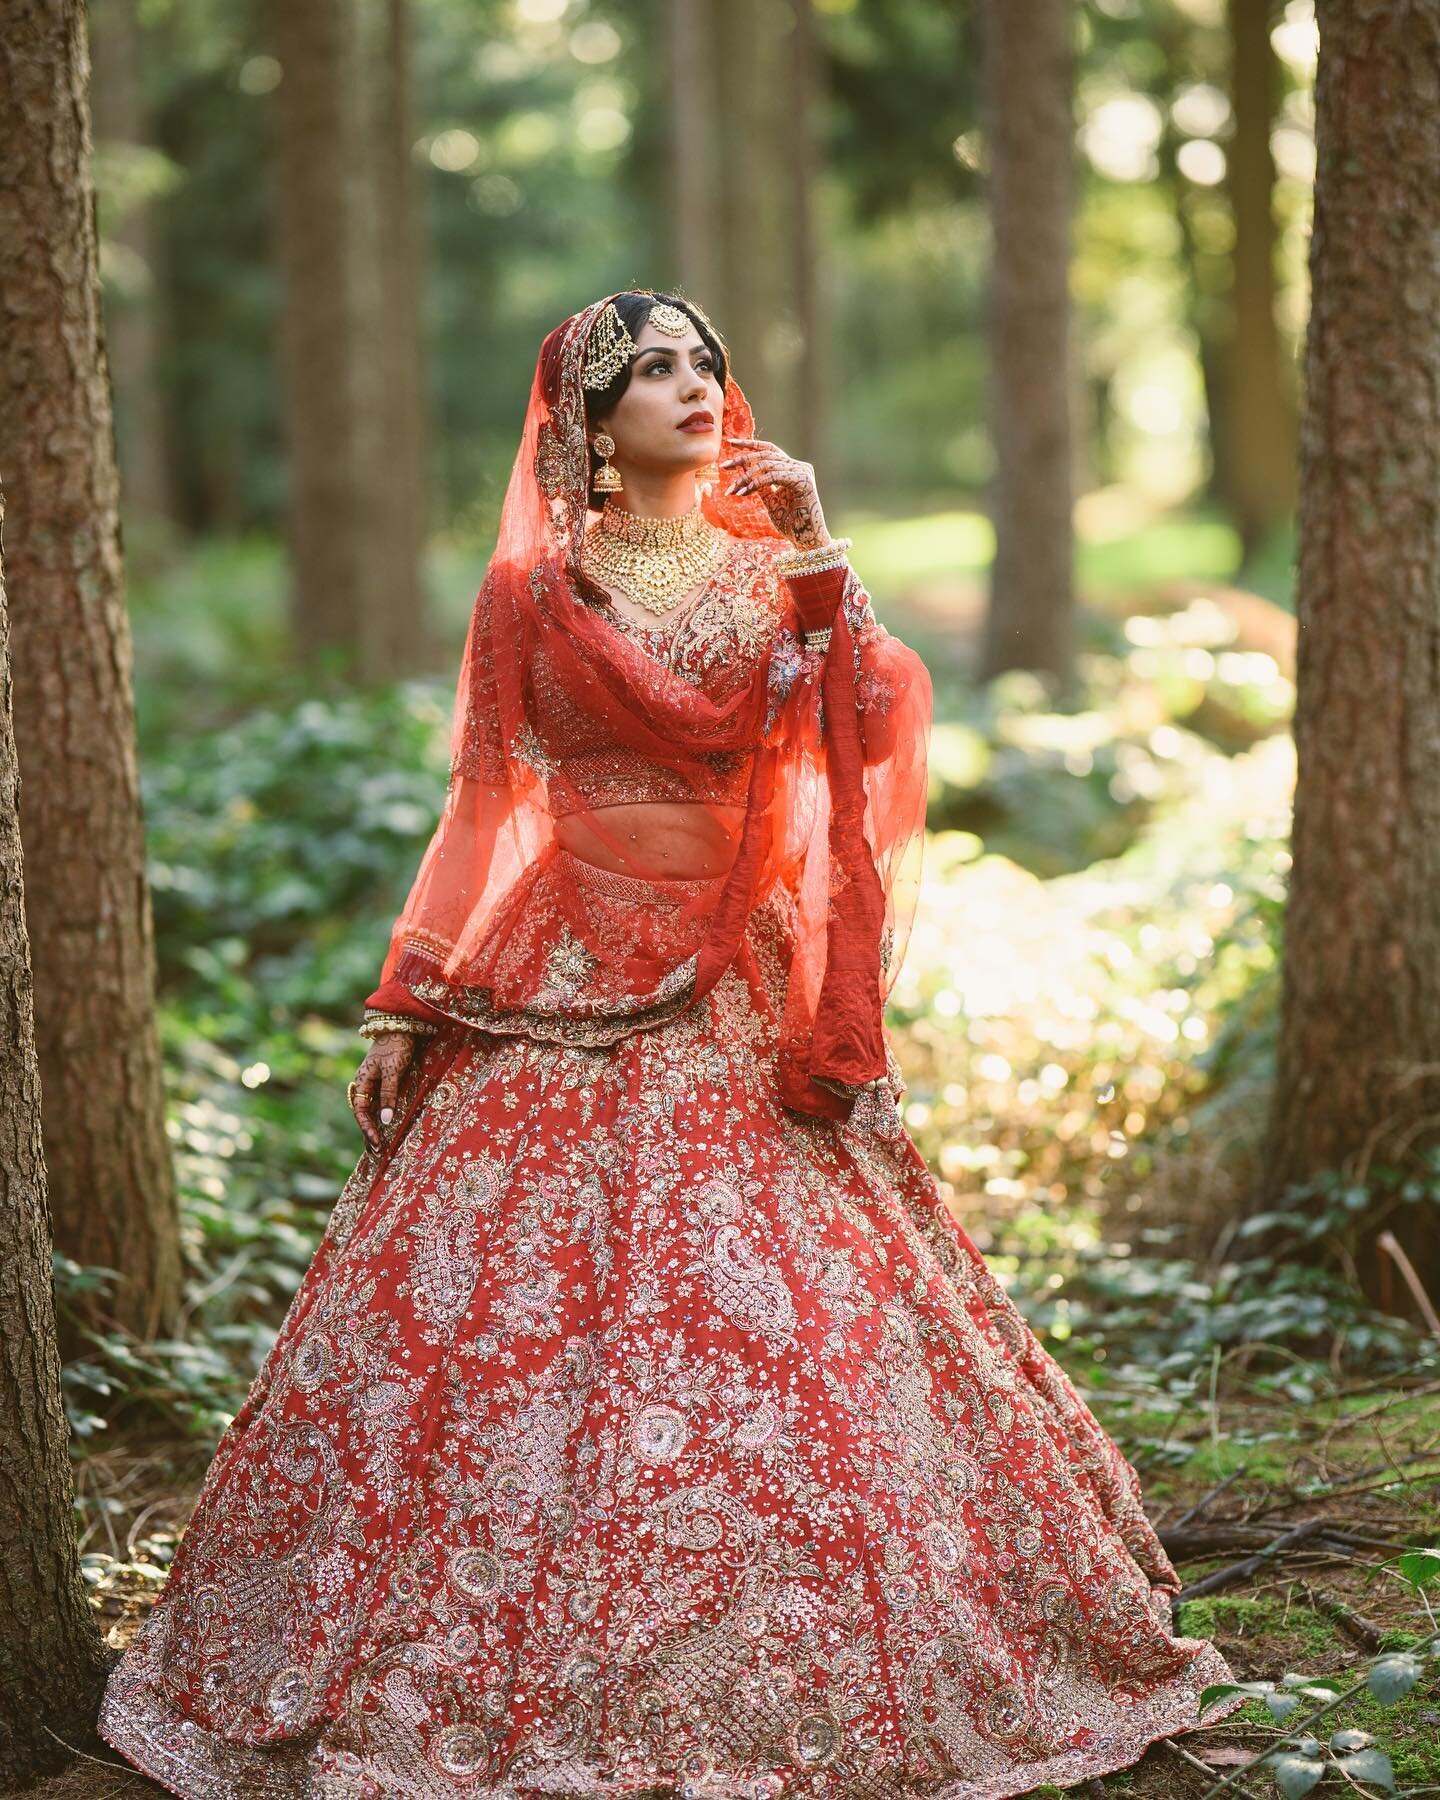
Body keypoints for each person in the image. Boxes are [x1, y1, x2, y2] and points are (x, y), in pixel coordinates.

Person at [100, 291, 1245, 1799]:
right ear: (586, 415)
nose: (693, 385)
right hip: (558, 976)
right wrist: (411, 992)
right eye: (650, 369)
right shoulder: (534, 594)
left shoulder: (776, 571)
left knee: (795, 1317)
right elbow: (484, 803)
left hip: (735, 990)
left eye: (705, 361)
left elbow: (882, 729)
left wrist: (826, 553)